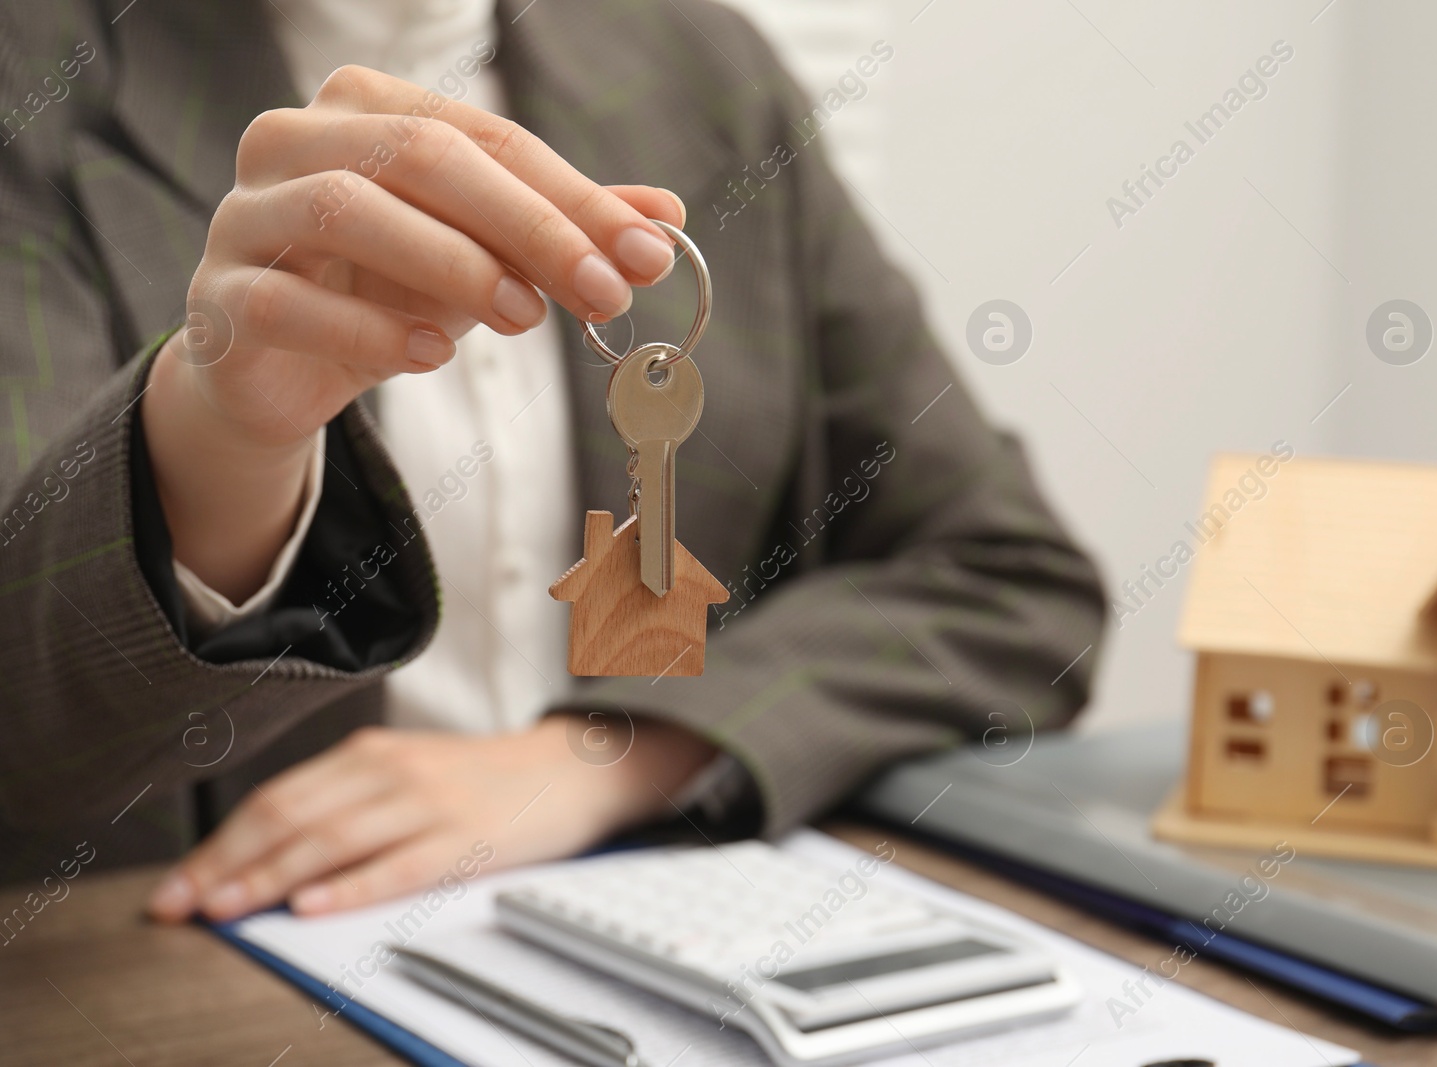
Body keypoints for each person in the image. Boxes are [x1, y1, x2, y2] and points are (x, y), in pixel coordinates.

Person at [0, 0, 1104, 923]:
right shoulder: (33, 74)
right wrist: (223, 441)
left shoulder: (694, 58)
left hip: (648, 920)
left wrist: (608, 753)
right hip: (196, 969)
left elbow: (1007, 577)